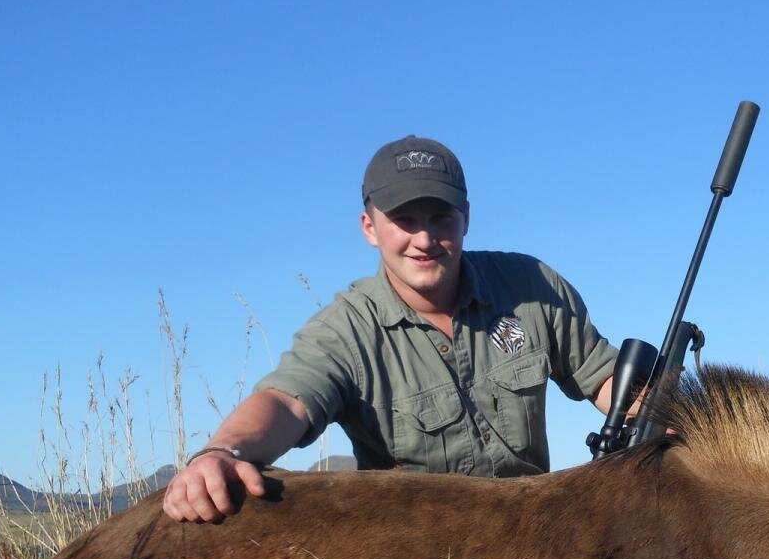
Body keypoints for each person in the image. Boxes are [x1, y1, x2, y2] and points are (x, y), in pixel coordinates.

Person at [163, 135, 621, 523]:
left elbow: (605, 378)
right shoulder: (345, 329)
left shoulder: (531, 285)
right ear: (370, 228)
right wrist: (224, 452)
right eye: (405, 220)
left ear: (466, 219)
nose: (424, 240)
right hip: (414, 551)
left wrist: (658, 416)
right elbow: (286, 401)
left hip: (533, 529)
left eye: (441, 217)